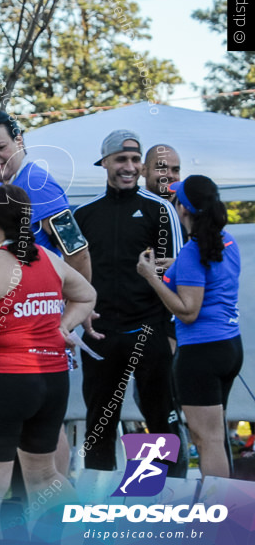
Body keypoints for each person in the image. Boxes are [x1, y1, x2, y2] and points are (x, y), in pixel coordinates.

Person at [0, 184, 95, 537]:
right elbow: (88, 295)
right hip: (52, 381)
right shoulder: (50, 259)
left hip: (5, 381)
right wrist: (62, 326)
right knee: (46, 477)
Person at [74, 130, 186, 474]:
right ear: (104, 162)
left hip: (149, 329)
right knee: (100, 425)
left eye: (135, 160)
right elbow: (72, 275)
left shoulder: (160, 209)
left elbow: (179, 272)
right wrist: (81, 315)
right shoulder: (84, 214)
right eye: (121, 159)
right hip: (100, 334)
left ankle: (167, 501)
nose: (130, 167)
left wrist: (168, 332)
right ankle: (99, 508)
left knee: (159, 420)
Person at [138, 175, 242, 478]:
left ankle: (218, 516)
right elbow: (205, 269)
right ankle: (223, 510)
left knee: (207, 441)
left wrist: (151, 277)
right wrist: (175, 264)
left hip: (201, 353)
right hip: (229, 347)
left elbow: (187, 312)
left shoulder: (193, 252)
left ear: (182, 208)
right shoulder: (226, 240)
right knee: (214, 437)